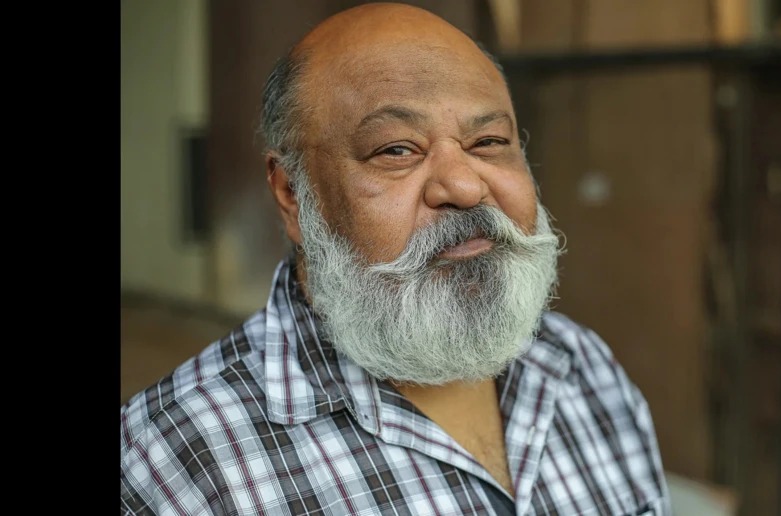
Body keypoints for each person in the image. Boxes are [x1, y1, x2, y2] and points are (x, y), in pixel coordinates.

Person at [120, 3, 669, 515]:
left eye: (488, 142)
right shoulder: (178, 458)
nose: (464, 186)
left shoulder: (582, 367)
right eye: (396, 150)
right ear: (293, 195)